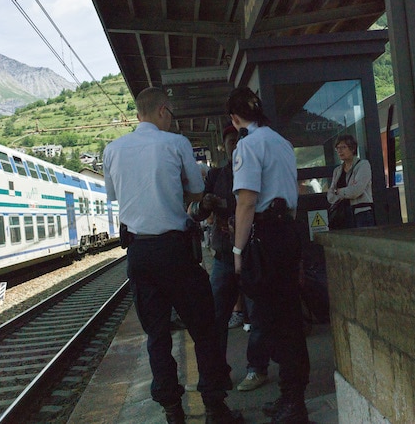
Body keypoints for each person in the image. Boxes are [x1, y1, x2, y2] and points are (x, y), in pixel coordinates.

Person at [103, 87, 242, 424]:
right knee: (203, 327)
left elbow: (113, 195)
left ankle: (172, 411)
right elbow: (195, 194)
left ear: (139, 115)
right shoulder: (176, 144)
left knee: (157, 335)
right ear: (163, 111)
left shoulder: (112, 150)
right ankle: (214, 407)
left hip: (139, 253)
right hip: (175, 251)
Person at [229, 86, 310, 423]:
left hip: (266, 238)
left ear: (234, 119)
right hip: (288, 231)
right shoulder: (281, 142)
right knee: (288, 317)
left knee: (277, 321)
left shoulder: (248, 146)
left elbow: (246, 201)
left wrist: (237, 249)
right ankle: (291, 398)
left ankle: (293, 405)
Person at [188, 124, 270, 394]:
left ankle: (256, 369)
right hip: (224, 256)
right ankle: (219, 372)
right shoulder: (215, 175)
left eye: (238, 140)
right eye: (231, 141)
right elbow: (195, 213)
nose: (235, 144)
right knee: (216, 317)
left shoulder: (256, 169)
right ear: (224, 146)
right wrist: (205, 205)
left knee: (257, 314)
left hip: (253, 254)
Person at [327, 134, 375, 228]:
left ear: (352, 149)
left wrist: (338, 191)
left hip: (361, 214)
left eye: (343, 147)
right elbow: (330, 196)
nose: (340, 151)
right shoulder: (337, 171)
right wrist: (347, 190)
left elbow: (356, 191)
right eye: (337, 148)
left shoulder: (363, 165)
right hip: (342, 215)